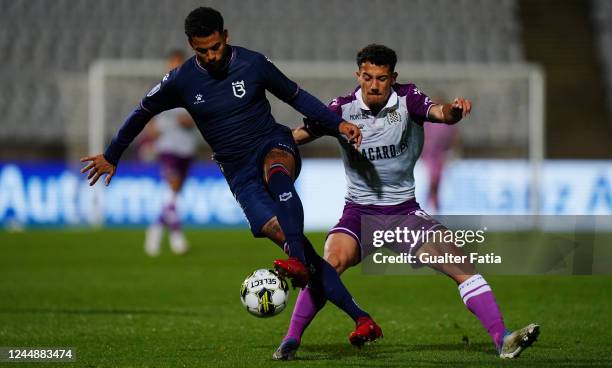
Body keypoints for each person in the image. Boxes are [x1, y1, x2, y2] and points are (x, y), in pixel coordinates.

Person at [80, 7, 382, 346]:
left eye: (215, 47)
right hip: (238, 174)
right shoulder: (181, 80)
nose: (210, 56)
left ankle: (295, 259)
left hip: (273, 144)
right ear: (191, 46)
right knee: (311, 260)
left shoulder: (252, 64)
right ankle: (363, 319)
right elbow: (142, 112)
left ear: (226, 36)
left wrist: (337, 123)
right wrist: (111, 154)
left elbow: (297, 97)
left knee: (278, 174)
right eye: (201, 51)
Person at [274, 44, 539, 360]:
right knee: (328, 266)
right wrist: (259, 148)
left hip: (405, 214)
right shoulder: (340, 109)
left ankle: (503, 339)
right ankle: (290, 341)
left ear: (393, 78)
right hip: (358, 213)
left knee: (462, 267)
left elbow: (440, 113)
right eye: (368, 77)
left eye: (382, 78)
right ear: (358, 75)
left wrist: (454, 110)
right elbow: (298, 135)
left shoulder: (408, 99)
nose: (374, 85)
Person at [141, 49, 199, 256]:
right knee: (173, 189)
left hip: (187, 148)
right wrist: (149, 138)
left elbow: (200, 116)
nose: (175, 68)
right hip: (167, 148)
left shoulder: (194, 89)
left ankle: (155, 229)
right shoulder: (160, 89)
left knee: (173, 195)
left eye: (179, 64)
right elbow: (148, 117)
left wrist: (189, 121)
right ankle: (176, 238)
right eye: (172, 63)